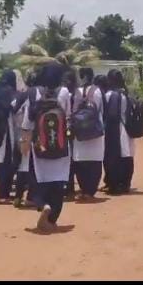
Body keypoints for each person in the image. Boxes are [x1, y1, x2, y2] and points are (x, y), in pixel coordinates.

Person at [21, 63, 72, 232]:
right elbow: (68, 117)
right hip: (61, 146)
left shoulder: (35, 93)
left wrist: (25, 143)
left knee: (39, 179)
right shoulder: (64, 92)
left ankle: (43, 205)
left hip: (40, 146)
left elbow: (28, 122)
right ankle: (51, 219)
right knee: (58, 183)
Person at [72, 67, 105, 201]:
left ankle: (83, 189)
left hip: (79, 131)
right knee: (95, 161)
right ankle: (90, 192)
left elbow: (73, 111)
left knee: (80, 161)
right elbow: (102, 109)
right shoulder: (97, 91)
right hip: (95, 131)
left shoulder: (77, 92)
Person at [104, 69, 136, 195]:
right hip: (126, 129)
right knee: (127, 157)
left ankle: (115, 185)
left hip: (115, 131)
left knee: (114, 158)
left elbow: (111, 115)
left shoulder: (109, 95)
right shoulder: (125, 94)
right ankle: (125, 183)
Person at [0, 70, 18, 204]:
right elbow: (14, 107)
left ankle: (1, 193)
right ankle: (4, 194)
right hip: (6, 132)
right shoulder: (10, 93)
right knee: (8, 162)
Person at [13, 71, 38, 208]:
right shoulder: (36, 94)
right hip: (31, 133)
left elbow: (13, 108)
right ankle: (30, 197)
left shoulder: (21, 94)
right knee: (32, 166)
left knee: (22, 166)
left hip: (19, 133)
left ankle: (17, 196)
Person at [62, 69, 78, 200]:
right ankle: (68, 186)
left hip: (70, 128)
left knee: (70, 157)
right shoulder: (66, 93)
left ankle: (70, 186)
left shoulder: (72, 94)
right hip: (67, 127)